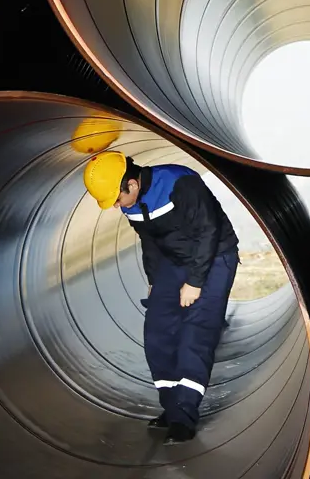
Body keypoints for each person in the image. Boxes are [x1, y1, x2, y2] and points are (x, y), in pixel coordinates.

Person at [82, 151, 241, 445]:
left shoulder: (180, 184)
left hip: (215, 256)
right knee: (157, 330)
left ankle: (184, 416)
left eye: (116, 199)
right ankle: (171, 406)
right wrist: (155, 281)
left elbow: (208, 231)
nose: (115, 206)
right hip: (173, 262)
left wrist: (194, 283)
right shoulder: (131, 204)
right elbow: (151, 242)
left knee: (196, 331)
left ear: (131, 184)